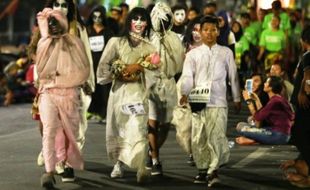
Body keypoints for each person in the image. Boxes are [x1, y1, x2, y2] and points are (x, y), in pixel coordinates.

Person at [96, 7, 160, 183]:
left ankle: (141, 167)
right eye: (135, 19)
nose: (139, 23)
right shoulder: (116, 42)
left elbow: (155, 73)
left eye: (143, 19)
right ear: (129, 21)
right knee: (119, 128)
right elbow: (103, 66)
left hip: (139, 93)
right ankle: (118, 163)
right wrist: (117, 73)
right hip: (119, 93)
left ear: (147, 23)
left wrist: (139, 69)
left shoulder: (150, 47)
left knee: (138, 127)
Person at [179, 15, 241, 186]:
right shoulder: (193, 54)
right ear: (200, 31)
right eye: (206, 30)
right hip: (198, 98)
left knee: (217, 135)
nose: (209, 33)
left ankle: (213, 171)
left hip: (219, 99)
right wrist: (184, 93)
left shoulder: (226, 52)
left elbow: (233, 77)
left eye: (213, 30)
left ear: (218, 31)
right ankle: (202, 168)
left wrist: (236, 97)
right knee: (199, 136)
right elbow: (187, 76)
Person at [36, 8, 90, 188]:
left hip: (69, 95)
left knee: (68, 134)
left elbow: (83, 71)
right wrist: (59, 79)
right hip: (48, 94)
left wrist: (61, 78)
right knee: (49, 130)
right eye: (50, 23)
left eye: (56, 22)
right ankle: (48, 171)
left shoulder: (74, 43)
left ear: (64, 23)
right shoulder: (43, 44)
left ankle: (66, 164)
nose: (53, 27)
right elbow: (42, 72)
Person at [147, 2, 185, 176]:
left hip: (168, 84)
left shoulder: (174, 38)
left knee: (166, 124)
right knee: (152, 122)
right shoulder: (148, 38)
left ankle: (151, 151)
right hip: (151, 84)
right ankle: (155, 159)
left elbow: (179, 64)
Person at [281, 25, 310, 188]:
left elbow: (308, 75)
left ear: (303, 41)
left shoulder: (308, 55)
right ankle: (303, 168)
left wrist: (304, 92)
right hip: (305, 105)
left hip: (305, 105)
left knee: (299, 134)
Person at [236, 76, 294, 145]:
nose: (264, 84)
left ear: (270, 87)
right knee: (245, 124)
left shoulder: (274, 101)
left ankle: (254, 140)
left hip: (278, 136)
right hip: (282, 134)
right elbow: (261, 113)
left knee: (240, 127)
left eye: (266, 82)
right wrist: (256, 99)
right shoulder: (279, 99)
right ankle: (256, 139)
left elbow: (257, 117)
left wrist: (248, 101)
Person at [86, 5, 114, 123]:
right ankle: (92, 111)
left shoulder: (108, 32)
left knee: (104, 89)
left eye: (99, 17)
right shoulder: (87, 31)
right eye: (94, 17)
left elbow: (112, 49)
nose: (97, 19)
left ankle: (104, 113)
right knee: (92, 88)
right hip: (90, 64)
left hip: (104, 65)